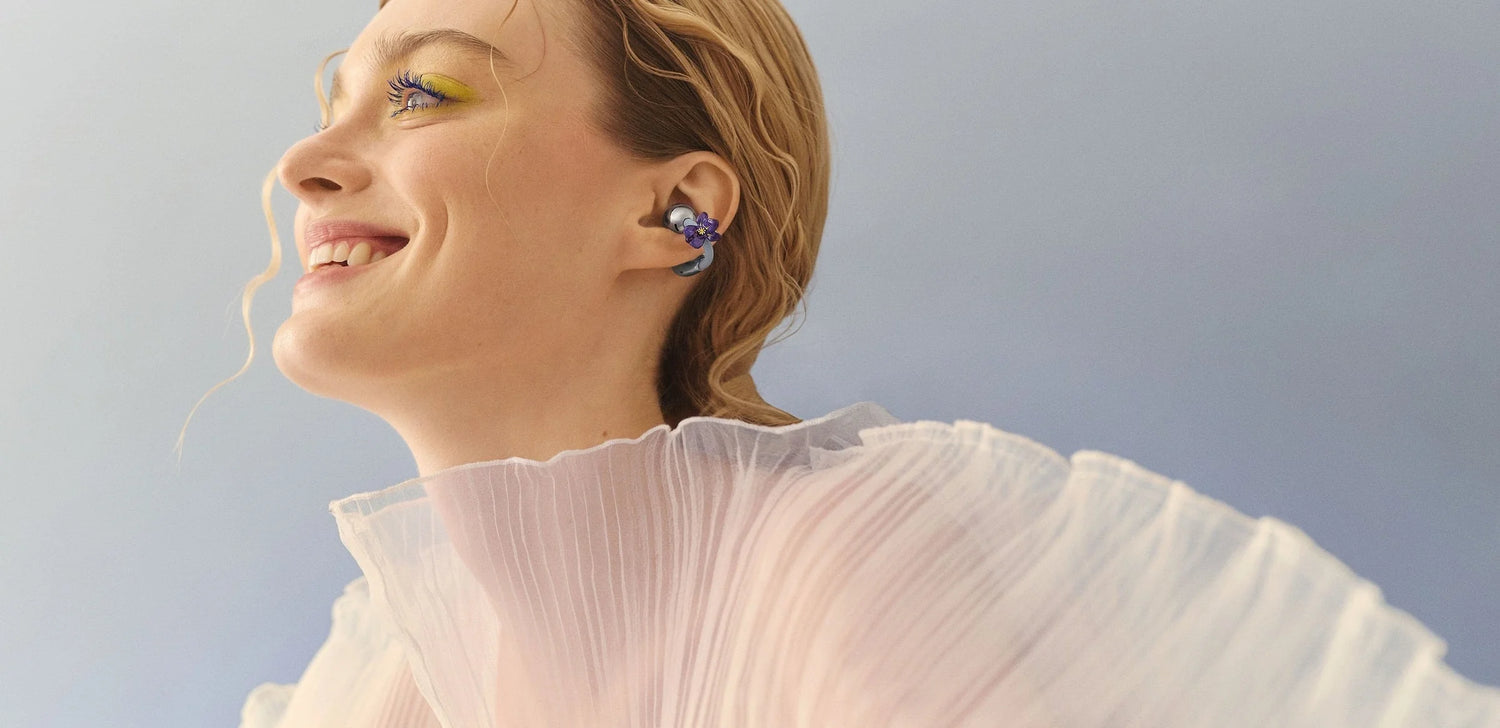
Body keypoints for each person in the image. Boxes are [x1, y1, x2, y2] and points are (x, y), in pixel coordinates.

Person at [223, 0, 1500, 725]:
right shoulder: (384, 673)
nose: (303, 161)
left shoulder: (834, 557)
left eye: (426, 93)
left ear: (675, 211)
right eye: (337, 99)